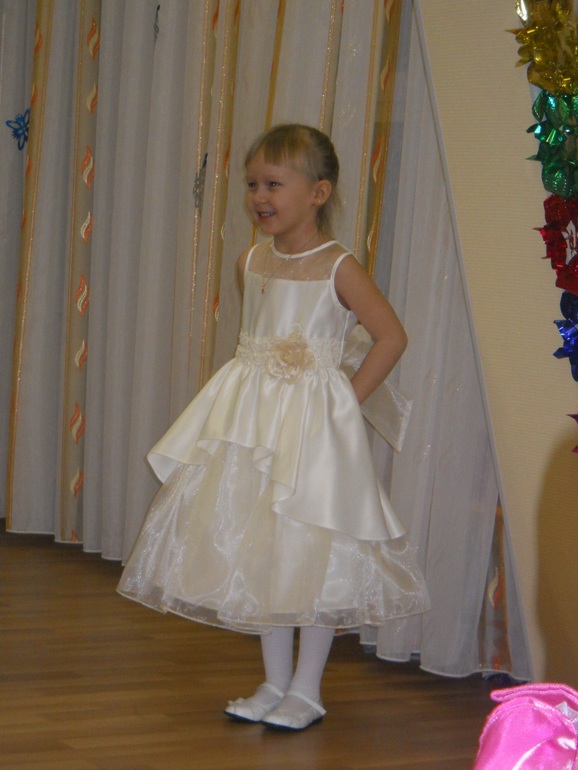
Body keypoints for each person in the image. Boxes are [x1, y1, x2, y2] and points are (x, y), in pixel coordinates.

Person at [118, 124, 429, 732]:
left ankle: (306, 690)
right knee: (264, 548)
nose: (260, 197)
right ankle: (274, 681)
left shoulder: (338, 265)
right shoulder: (252, 261)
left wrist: (346, 401)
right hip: (254, 427)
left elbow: (391, 337)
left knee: (312, 550)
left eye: (274, 185)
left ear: (318, 192)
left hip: (313, 435)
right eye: (253, 184)